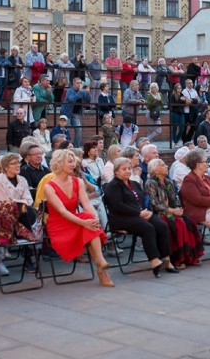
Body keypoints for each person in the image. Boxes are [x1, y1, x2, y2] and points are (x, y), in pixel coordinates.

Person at [41, 149, 113, 285]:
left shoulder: (77, 181)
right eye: (70, 161)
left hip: (76, 220)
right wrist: (85, 222)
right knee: (87, 224)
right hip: (59, 226)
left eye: (74, 161)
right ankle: (101, 267)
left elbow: (86, 203)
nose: (74, 164)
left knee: (89, 219)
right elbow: (62, 211)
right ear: (60, 163)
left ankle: (101, 264)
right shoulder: (49, 187)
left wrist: (94, 217)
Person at [104, 156, 175, 275]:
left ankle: (166, 259)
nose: (127, 171)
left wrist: (149, 211)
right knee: (147, 228)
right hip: (121, 218)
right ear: (116, 171)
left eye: (129, 168)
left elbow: (145, 199)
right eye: (123, 169)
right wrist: (139, 213)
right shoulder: (113, 186)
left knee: (161, 225)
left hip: (139, 215)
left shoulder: (134, 183)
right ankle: (154, 260)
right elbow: (118, 206)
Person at [61, 77, 91, 148]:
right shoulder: (70, 90)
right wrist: (80, 92)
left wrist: (87, 93)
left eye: (80, 83)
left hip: (75, 113)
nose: (79, 85)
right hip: (66, 113)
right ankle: (66, 147)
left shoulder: (82, 91)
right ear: (73, 83)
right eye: (78, 83)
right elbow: (72, 99)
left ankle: (76, 147)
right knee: (66, 131)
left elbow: (88, 100)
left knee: (79, 129)